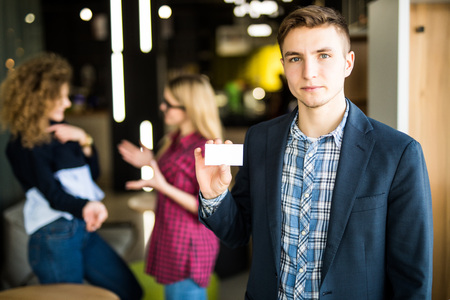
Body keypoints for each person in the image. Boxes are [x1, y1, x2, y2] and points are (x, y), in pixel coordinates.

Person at [194, 5, 433, 300]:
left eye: (324, 55)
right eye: (296, 58)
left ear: (348, 62)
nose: (309, 72)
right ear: (284, 64)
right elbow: (239, 232)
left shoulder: (398, 154)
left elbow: (412, 277)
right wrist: (215, 195)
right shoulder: (260, 139)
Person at [0, 53, 143, 300]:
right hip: (54, 233)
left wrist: (84, 139)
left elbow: (92, 175)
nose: (67, 103)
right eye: (61, 97)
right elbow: (53, 194)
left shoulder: (63, 130)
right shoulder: (23, 145)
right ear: (38, 99)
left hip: (80, 227)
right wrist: (87, 205)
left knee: (130, 291)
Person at [117, 74, 222, 300]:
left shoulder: (206, 148)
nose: (162, 107)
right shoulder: (174, 140)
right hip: (171, 238)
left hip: (189, 244)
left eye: (169, 103)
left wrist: (161, 186)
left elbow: (209, 208)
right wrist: (150, 163)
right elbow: (172, 179)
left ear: (190, 108)